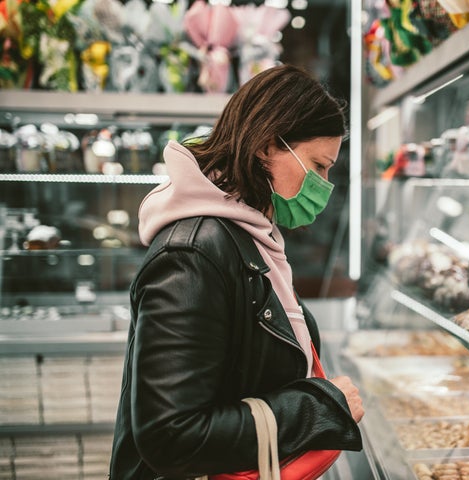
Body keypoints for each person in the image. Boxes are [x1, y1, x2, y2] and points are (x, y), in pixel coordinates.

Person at [109, 64, 364, 479]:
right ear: (266, 146)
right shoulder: (193, 255)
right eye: (319, 166)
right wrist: (319, 406)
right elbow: (169, 435)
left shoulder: (248, 235)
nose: (325, 185)